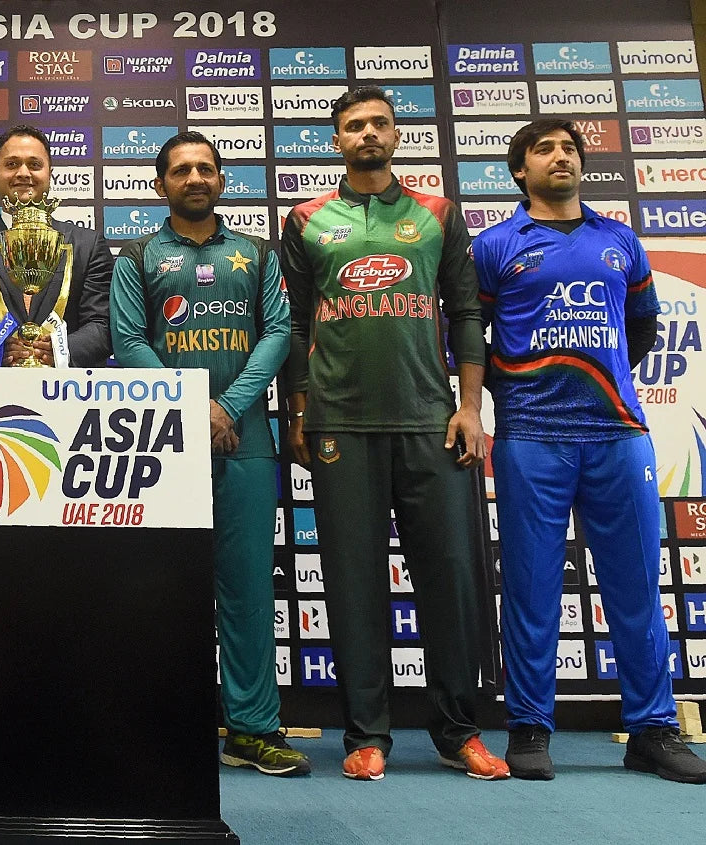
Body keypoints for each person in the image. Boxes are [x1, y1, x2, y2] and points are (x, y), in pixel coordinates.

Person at [279, 86, 508, 781]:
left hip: (429, 422)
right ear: (337, 140)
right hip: (338, 424)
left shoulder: (438, 214)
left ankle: (457, 731)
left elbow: (467, 313)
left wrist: (469, 407)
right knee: (351, 585)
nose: (368, 134)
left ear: (396, 135)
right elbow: (292, 325)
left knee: (450, 580)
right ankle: (365, 734)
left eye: (379, 123)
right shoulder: (308, 218)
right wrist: (297, 409)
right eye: (354, 126)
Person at [473, 119, 706, 784]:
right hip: (529, 439)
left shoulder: (619, 240)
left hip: (619, 435)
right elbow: (471, 337)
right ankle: (529, 725)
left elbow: (641, 330)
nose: (560, 157)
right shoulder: (495, 245)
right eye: (544, 149)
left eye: (569, 148)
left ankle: (653, 729)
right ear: (521, 171)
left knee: (636, 585)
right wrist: (519, 388)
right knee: (532, 587)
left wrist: (598, 386)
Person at [112, 131, 308, 777]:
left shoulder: (256, 253)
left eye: (206, 168)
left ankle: (251, 728)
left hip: (246, 442)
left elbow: (279, 330)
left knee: (249, 590)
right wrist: (192, 408)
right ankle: (162, 722)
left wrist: (226, 407)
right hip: (163, 444)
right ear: (160, 183)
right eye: (181, 170)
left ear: (221, 179)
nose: (195, 177)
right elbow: (129, 338)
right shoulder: (137, 254)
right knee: (161, 590)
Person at [0, 124, 112, 368]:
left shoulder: (88, 245)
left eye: (34, 164)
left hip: (70, 393)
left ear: (49, 173)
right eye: (11, 164)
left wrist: (59, 352)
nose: (23, 173)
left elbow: (101, 323)